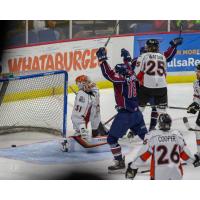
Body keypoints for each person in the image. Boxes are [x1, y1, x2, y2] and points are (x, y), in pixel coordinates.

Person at [96, 47, 148, 173]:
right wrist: (127, 59)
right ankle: (161, 153)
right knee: (146, 137)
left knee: (112, 139)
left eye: (117, 71)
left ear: (120, 73)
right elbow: (128, 67)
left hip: (126, 115)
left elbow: (108, 74)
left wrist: (102, 60)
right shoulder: (132, 75)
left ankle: (119, 162)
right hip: (137, 114)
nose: (115, 72)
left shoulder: (120, 79)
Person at [125, 113, 200, 180]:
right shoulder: (177, 135)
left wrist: (133, 167)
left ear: (159, 123)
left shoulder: (152, 136)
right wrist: (194, 161)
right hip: (176, 175)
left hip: (158, 176)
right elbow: (185, 155)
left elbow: (143, 156)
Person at [133, 38, 183, 116]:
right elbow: (165, 72)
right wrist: (173, 46)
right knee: (162, 110)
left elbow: (137, 74)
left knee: (139, 108)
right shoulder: (162, 57)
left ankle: (134, 123)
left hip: (147, 87)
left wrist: (140, 82)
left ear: (147, 47)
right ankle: (165, 122)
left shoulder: (142, 56)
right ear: (157, 47)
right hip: (162, 87)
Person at [187, 63, 200, 156]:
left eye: (198, 72)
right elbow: (197, 97)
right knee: (198, 128)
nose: (196, 73)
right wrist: (195, 105)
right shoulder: (196, 83)